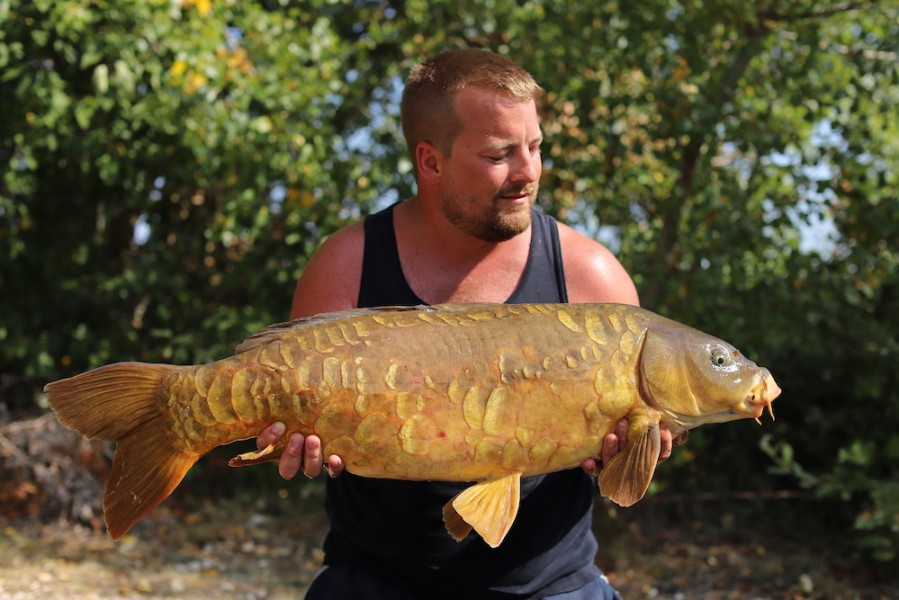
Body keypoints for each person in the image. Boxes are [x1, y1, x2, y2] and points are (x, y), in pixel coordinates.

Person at [256, 49, 684, 599]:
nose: (528, 172)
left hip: (551, 586)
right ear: (430, 162)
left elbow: (623, 468)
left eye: (534, 146)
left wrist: (640, 445)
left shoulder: (591, 278)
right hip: (375, 580)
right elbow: (297, 434)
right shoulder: (345, 268)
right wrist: (290, 443)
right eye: (499, 153)